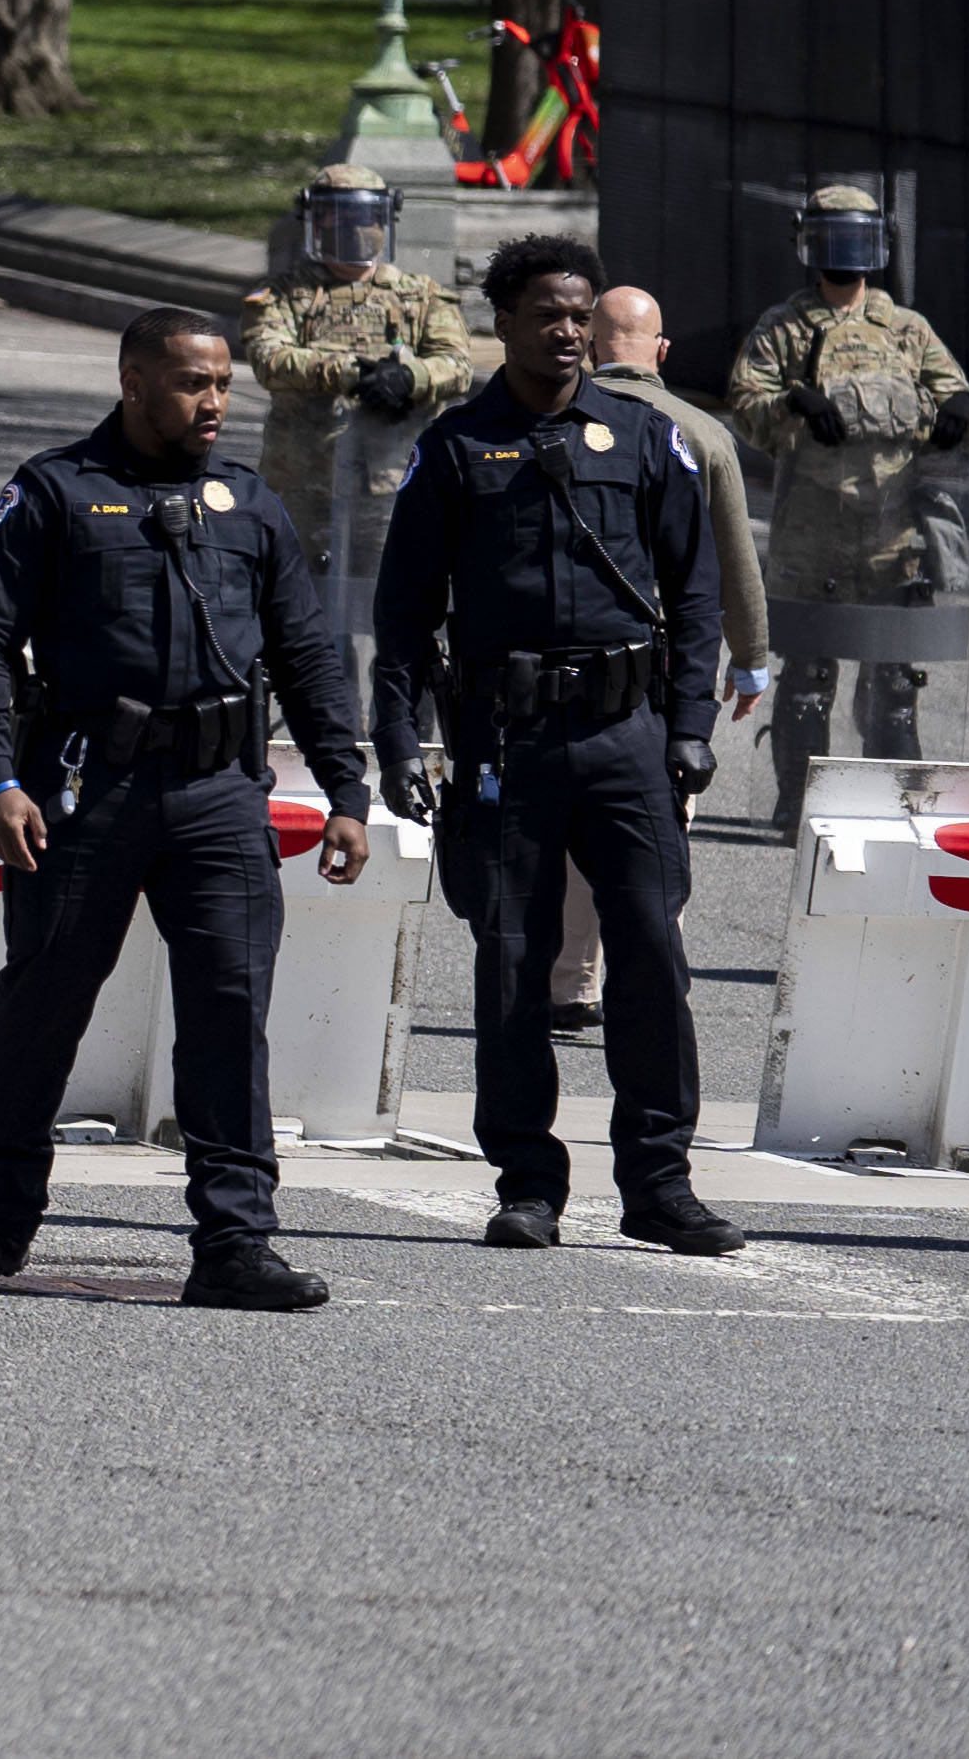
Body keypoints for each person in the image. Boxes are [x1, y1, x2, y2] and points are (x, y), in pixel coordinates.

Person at [0, 307, 374, 1311]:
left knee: (226, 1013)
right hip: (86, 788)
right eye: (188, 383)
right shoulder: (52, 491)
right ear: (131, 381)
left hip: (219, 794)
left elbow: (306, 656)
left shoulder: (248, 505)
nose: (211, 401)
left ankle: (233, 1244)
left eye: (220, 383)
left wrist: (345, 789)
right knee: (42, 1007)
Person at [370, 236, 742, 1255]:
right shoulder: (453, 448)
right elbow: (403, 610)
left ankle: (659, 1180)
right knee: (510, 960)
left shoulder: (637, 436)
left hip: (626, 733)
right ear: (503, 321)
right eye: (546, 313)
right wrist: (396, 738)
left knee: (651, 954)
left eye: (579, 314)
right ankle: (526, 1179)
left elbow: (694, 588)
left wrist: (690, 727)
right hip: (503, 736)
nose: (566, 331)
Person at [552, 288, 777, 1025]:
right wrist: (749, 658)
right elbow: (734, 563)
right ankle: (654, 978)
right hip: (666, 664)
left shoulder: (556, 422)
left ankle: (570, 981)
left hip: (568, 655)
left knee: (570, 822)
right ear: (663, 350)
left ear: (589, 345)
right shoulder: (702, 434)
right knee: (657, 826)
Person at [725, 183, 969, 814]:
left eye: (855, 239)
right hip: (812, 531)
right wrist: (792, 402)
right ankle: (798, 805)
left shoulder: (906, 329)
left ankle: (893, 809)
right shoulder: (784, 328)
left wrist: (959, 410)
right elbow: (745, 407)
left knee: (895, 682)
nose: (844, 254)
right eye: (832, 238)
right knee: (809, 678)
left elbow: (961, 402)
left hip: (894, 534)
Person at [234, 164, 476, 583]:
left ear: (383, 219)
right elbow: (269, 359)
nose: (352, 227)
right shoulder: (283, 295)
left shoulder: (422, 296)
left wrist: (408, 379)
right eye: (337, 216)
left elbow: (457, 366)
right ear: (315, 221)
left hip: (394, 482)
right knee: (293, 595)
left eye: (363, 216)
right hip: (304, 482)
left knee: (391, 597)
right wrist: (349, 373)